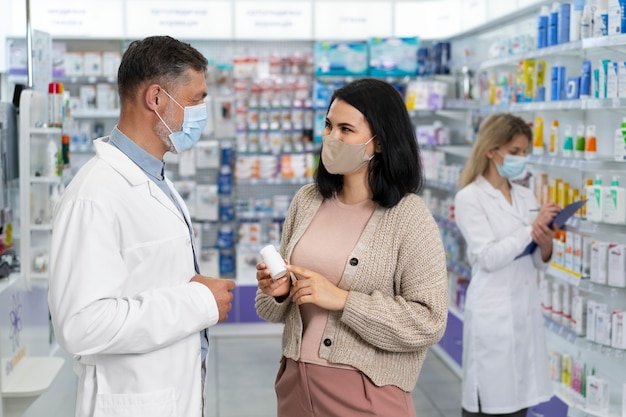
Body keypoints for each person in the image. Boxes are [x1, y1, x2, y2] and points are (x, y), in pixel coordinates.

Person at [48, 36, 236, 417]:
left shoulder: (154, 179)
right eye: (196, 99)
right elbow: (80, 325)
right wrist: (198, 302)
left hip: (170, 390)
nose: (202, 111)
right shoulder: (95, 194)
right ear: (156, 99)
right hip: (133, 400)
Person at [255, 78, 448, 417]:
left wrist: (343, 301)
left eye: (346, 129)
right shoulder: (308, 200)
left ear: (380, 142)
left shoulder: (408, 217)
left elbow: (429, 321)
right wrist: (279, 291)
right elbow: (271, 310)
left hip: (365, 394)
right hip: (296, 386)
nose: (332, 137)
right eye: (328, 125)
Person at [454, 113, 561, 417]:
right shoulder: (470, 197)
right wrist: (531, 229)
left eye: (524, 153)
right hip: (493, 312)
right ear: (491, 150)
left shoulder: (525, 195)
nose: (520, 159)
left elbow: (537, 264)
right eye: (514, 152)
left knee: (520, 403)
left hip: (524, 309)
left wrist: (545, 241)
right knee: (490, 402)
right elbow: (488, 257)